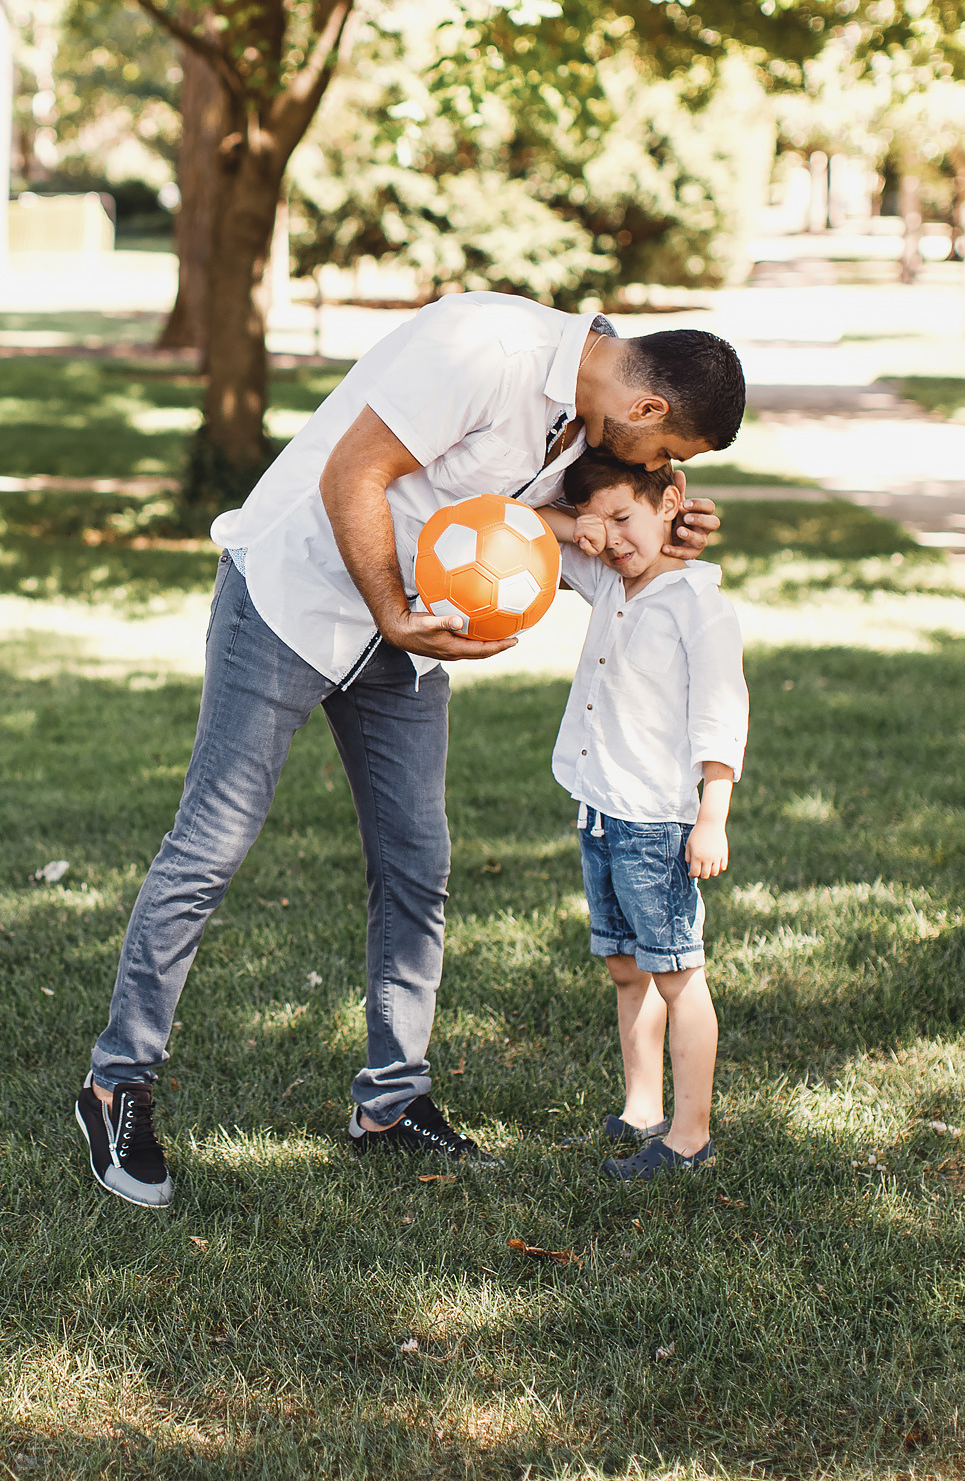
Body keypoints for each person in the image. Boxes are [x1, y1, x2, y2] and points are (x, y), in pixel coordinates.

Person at [76, 292, 747, 1208]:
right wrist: (394, 610)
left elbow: (556, 530)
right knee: (212, 843)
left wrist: (663, 540)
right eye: (670, 453)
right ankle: (118, 1084)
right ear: (647, 407)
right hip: (293, 599)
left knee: (416, 865)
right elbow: (353, 473)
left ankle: (391, 1102)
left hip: (405, 632)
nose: (663, 468)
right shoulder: (487, 348)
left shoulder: (580, 425)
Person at [537, 450, 748, 1180]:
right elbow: (531, 519)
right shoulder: (607, 577)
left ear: (672, 502)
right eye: (602, 524)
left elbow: (721, 719)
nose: (614, 539)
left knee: (677, 972)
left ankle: (690, 1137)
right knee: (627, 968)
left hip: (657, 823)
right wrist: (585, 527)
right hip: (601, 808)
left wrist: (712, 815)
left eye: (625, 517)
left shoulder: (698, 605)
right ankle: (642, 1109)